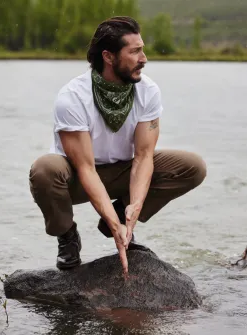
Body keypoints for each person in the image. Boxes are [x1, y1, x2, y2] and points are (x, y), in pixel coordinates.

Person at [29, 16, 206, 275]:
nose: (144, 58)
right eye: (134, 52)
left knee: (192, 166)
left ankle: (120, 217)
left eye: (142, 49)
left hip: (123, 170)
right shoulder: (73, 97)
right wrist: (115, 225)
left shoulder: (148, 91)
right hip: (76, 177)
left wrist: (129, 215)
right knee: (44, 169)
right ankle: (67, 236)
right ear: (109, 57)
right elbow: (86, 168)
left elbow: (144, 156)